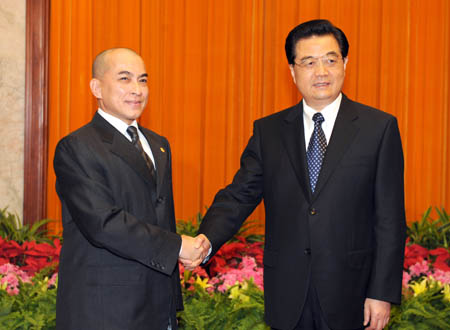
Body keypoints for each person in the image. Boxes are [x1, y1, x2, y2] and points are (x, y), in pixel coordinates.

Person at [196, 20, 406, 330]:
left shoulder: (379, 129)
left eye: (330, 60)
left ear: (345, 64)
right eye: (309, 62)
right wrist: (206, 240)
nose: (321, 71)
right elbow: (239, 195)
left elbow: (390, 218)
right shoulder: (269, 132)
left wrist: (382, 292)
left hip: (353, 293)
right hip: (288, 293)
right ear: (292, 71)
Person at [53, 48, 209, 330]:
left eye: (143, 80)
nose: (137, 90)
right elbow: (102, 223)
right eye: (124, 79)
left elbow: (161, 216)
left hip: (158, 305)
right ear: (96, 87)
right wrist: (177, 246)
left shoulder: (158, 144)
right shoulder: (77, 147)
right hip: (105, 309)